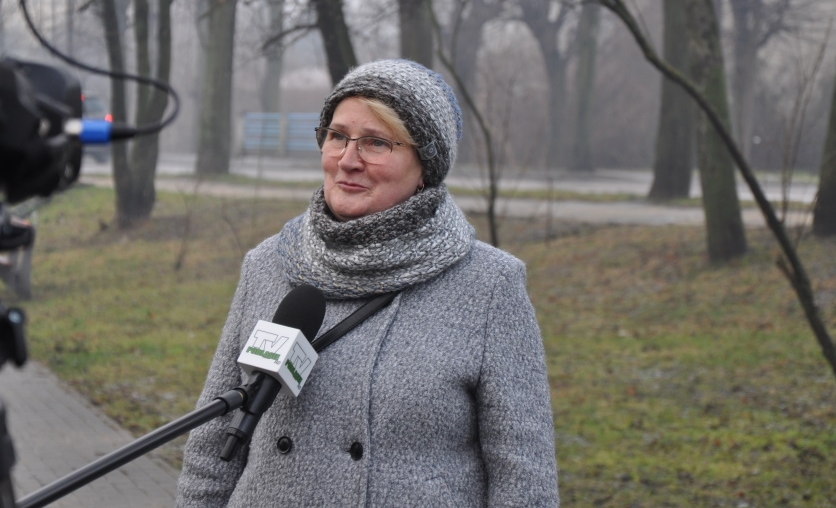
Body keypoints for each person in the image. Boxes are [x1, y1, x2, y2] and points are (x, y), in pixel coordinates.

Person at [176, 59, 559, 507]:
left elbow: (524, 479)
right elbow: (211, 445)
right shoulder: (268, 265)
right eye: (337, 136)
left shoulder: (490, 285)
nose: (347, 160)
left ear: (426, 165)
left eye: (376, 142)